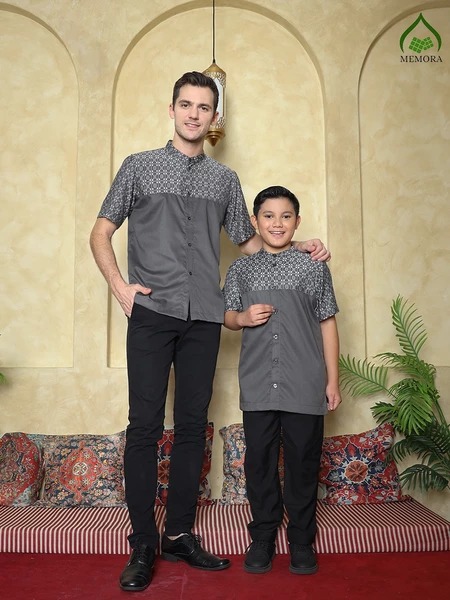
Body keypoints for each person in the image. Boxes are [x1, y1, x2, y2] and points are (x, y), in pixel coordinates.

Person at [90, 72, 330, 592]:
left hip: (204, 317)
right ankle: (143, 545)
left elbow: (250, 243)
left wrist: (297, 244)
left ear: (214, 117)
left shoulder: (224, 180)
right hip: (152, 313)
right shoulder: (139, 167)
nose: (194, 114)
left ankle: (178, 534)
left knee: (192, 427)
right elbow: (101, 232)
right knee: (144, 427)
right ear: (171, 109)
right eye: (186, 105)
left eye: (204, 107)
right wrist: (120, 288)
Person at [223, 185, 341, 576]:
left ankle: (302, 541)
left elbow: (327, 323)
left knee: (303, 464)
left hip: (305, 381)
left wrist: (332, 381)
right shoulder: (241, 269)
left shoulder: (314, 266)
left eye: (286, 216)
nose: (277, 223)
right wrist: (242, 318)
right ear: (255, 222)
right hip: (258, 381)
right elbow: (227, 315)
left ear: (297, 221)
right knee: (259, 464)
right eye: (269, 216)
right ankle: (262, 537)